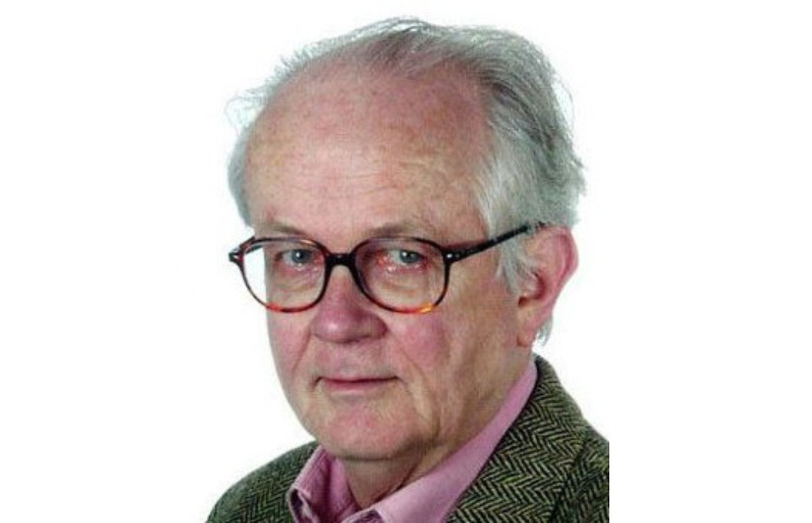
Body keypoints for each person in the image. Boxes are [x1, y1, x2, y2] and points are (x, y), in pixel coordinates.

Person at [209, 18, 608, 523]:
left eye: (403, 257)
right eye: (297, 256)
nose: (336, 322)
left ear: (534, 282)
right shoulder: (246, 510)